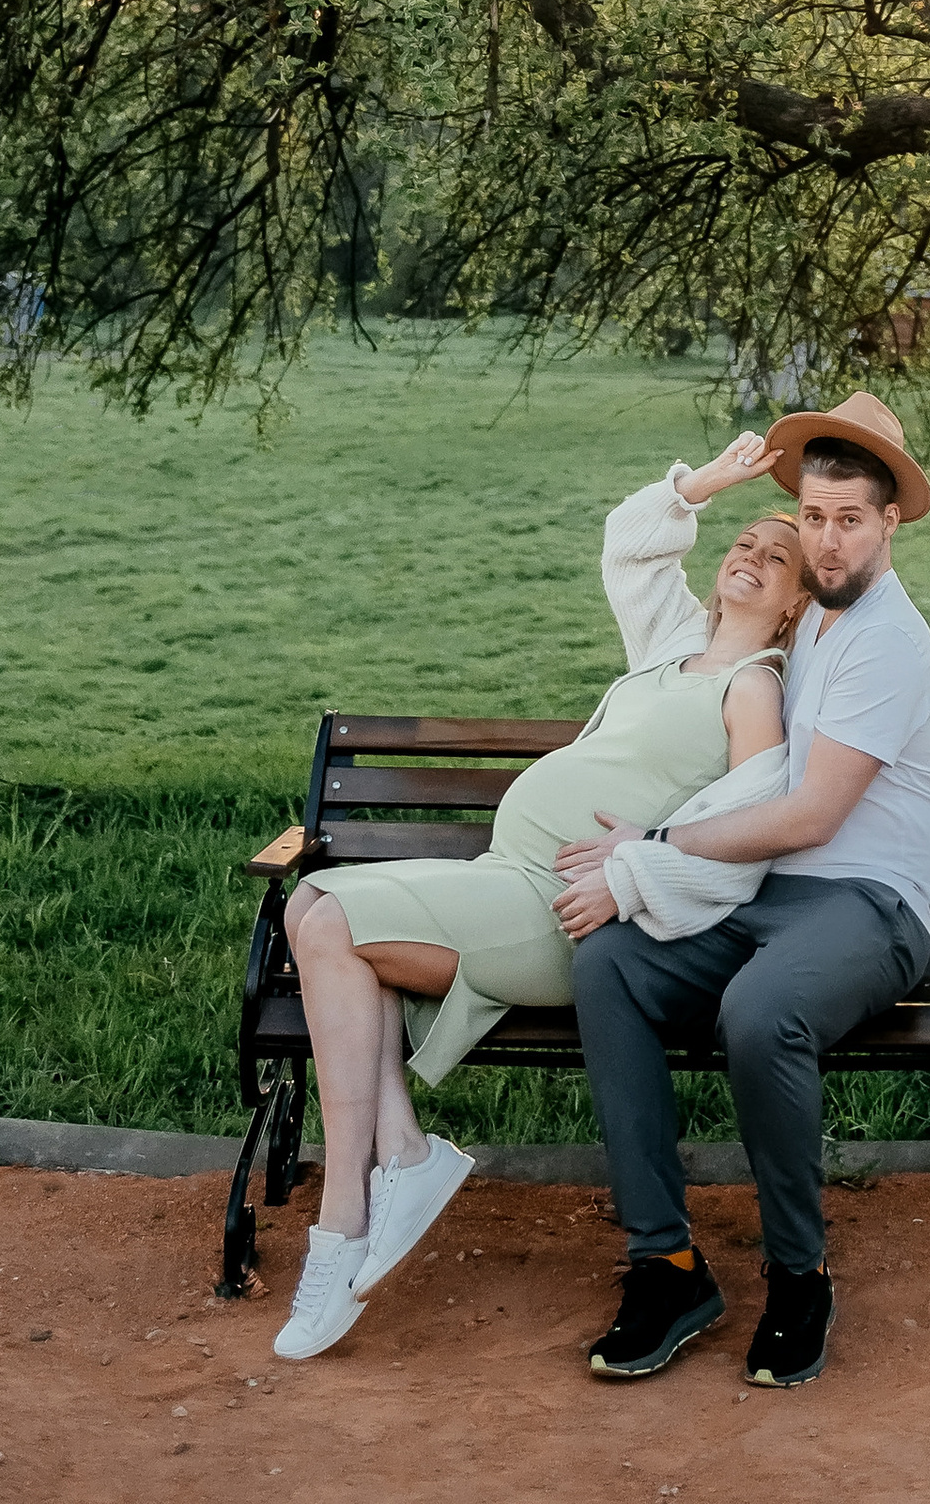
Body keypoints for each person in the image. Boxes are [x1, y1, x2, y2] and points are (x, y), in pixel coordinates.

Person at [270, 433, 806, 1366]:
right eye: (746, 541)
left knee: (338, 927)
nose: (751, 556)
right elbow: (630, 546)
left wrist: (632, 872)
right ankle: (401, 1148)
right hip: (501, 879)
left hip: (563, 912)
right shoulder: (672, 645)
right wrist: (703, 483)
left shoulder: (755, 688)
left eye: (778, 556)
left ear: (799, 602)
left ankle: (343, 1214)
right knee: (307, 901)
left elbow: (749, 832)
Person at [557, 388, 930, 1394]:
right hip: (761, 900)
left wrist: (647, 847)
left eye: (848, 519)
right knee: (607, 964)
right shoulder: (797, 623)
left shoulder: (887, 641)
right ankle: (666, 1264)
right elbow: (655, 588)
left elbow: (813, 816)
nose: (825, 541)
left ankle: (797, 1275)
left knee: (759, 1009)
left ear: (888, 520)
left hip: (869, 905)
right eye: (812, 517)